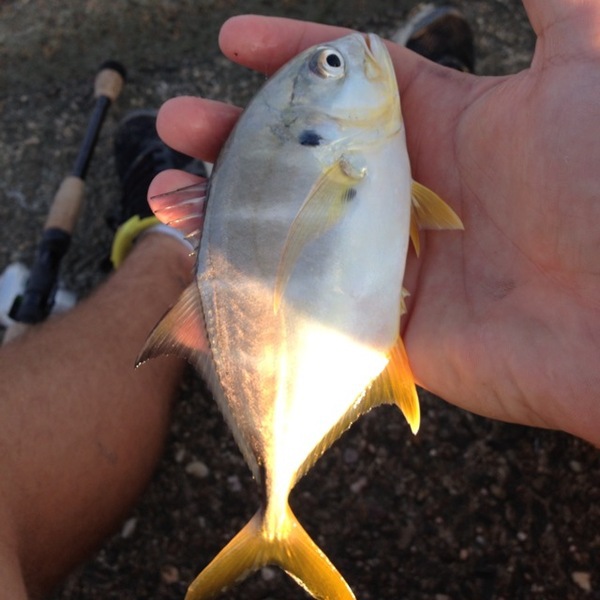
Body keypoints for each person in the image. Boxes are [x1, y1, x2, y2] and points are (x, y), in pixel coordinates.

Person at [0, 1, 598, 598]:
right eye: (334, 64)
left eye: (328, 64)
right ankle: (171, 256)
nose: (356, 50)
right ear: (311, 131)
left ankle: (164, 249)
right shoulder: (341, 148)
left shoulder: (331, 144)